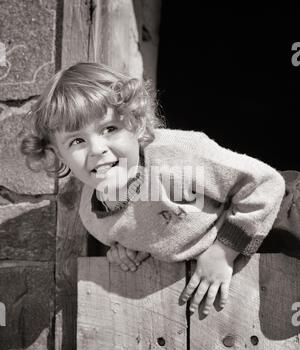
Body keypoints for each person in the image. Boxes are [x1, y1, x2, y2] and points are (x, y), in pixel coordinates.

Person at [21, 62, 298, 317]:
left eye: (109, 129)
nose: (97, 149)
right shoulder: (92, 217)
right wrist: (126, 250)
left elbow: (264, 184)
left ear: (135, 123)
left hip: (279, 209)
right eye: (77, 141)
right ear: (57, 154)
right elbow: (149, 229)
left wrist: (222, 253)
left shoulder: (177, 158)